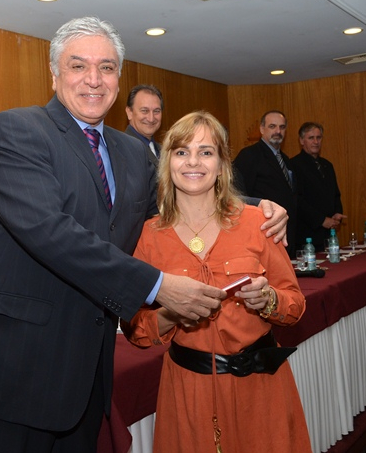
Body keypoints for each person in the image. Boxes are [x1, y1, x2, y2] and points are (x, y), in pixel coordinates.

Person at [0, 16, 289, 453]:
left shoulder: (130, 152)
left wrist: (257, 208)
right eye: (78, 66)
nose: (94, 79)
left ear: (118, 78)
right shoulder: (17, 130)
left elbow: (174, 208)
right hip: (12, 369)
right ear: (53, 73)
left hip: (86, 373)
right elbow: (50, 232)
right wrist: (158, 285)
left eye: (106, 67)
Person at [122, 111, 311, 453]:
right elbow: (135, 328)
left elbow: (295, 305)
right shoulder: (149, 236)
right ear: (167, 163)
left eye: (206, 152)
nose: (193, 162)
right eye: (182, 152)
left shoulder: (259, 222)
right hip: (188, 394)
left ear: (222, 165)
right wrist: (172, 313)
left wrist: (268, 300)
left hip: (260, 389)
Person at [233, 110, 298, 253]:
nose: (278, 131)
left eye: (282, 127)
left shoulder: (286, 160)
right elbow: (239, 195)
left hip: (285, 231)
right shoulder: (249, 155)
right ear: (262, 129)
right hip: (263, 231)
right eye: (272, 126)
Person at [290, 122, 346, 251]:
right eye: (311, 138)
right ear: (301, 141)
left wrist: (337, 213)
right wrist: (321, 220)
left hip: (329, 234)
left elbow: (335, 194)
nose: (316, 142)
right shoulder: (294, 165)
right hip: (307, 236)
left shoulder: (327, 165)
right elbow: (297, 200)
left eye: (318, 137)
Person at [125, 84, 163, 166]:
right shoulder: (123, 149)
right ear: (129, 112)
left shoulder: (164, 150)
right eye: (144, 111)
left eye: (156, 111)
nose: (151, 119)